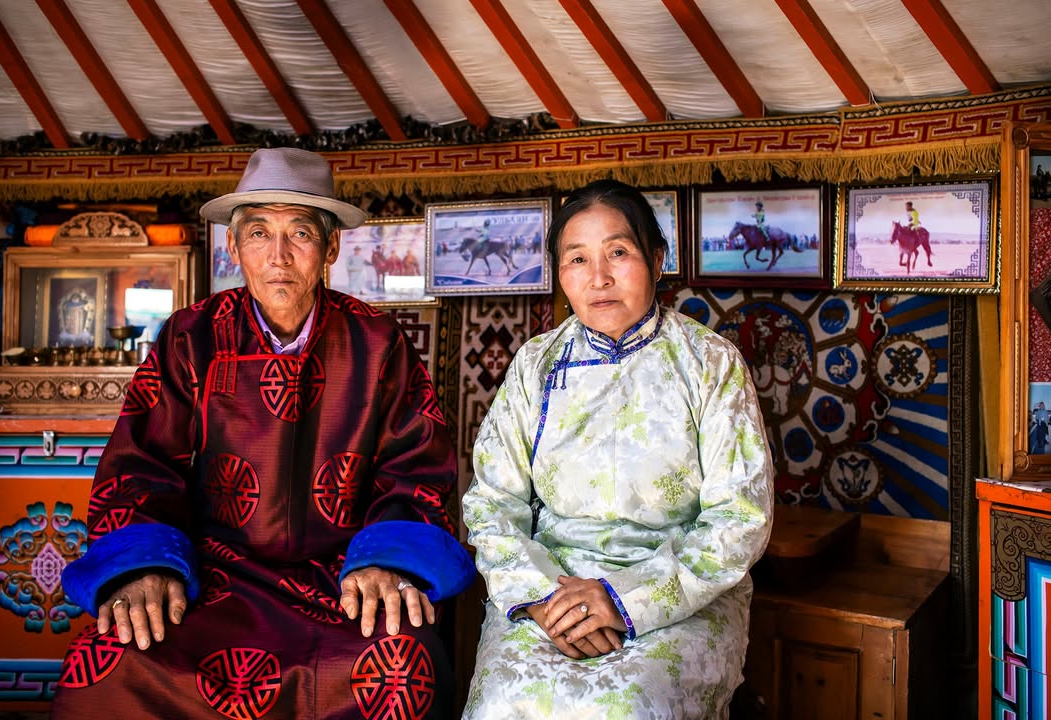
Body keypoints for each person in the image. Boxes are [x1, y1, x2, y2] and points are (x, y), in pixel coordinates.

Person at [53, 147, 474, 719]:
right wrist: (146, 566)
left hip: (343, 580)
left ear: (329, 248)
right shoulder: (188, 338)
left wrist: (388, 561)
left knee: (403, 667)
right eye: (258, 233)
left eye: (299, 233)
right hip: (210, 577)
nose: (278, 256)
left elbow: (415, 468)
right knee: (110, 660)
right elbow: (142, 465)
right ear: (234, 247)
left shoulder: (377, 342)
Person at [461, 179, 774, 719]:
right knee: (503, 702)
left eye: (619, 253)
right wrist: (541, 599)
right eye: (577, 259)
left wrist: (623, 601)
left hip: (676, 595)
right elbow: (491, 503)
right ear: (560, 274)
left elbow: (740, 518)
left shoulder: (710, 365)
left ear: (656, 260)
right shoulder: (536, 365)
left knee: (626, 708)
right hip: (549, 591)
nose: (599, 277)